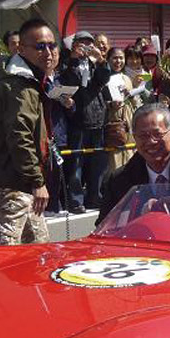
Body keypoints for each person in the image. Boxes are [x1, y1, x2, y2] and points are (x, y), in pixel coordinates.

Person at [0, 18, 57, 245]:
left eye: (52, 45)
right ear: (21, 49)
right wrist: (37, 180)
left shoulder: (30, 81)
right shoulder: (19, 85)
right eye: (40, 46)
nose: (48, 52)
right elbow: (19, 135)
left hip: (22, 183)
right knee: (4, 253)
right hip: (12, 183)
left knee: (39, 250)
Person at [60, 30, 109, 213]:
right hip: (77, 120)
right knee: (76, 164)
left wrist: (101, 59)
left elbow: (104, 79)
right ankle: (75, 200)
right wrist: (73, 59)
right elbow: (67, 82)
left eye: (89, 43)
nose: (86, 47)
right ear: (74, 44)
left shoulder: (94, 63)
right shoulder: (66, 63)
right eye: (82, 43)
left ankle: (94, 197)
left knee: (97, 163)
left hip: (97, 118)